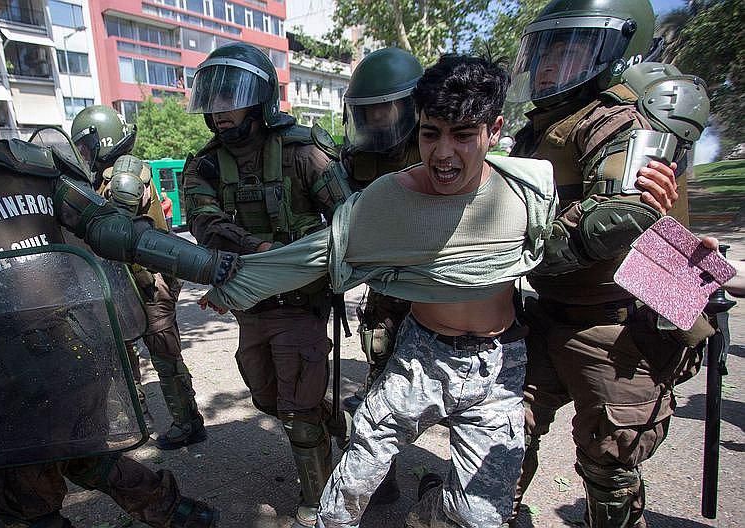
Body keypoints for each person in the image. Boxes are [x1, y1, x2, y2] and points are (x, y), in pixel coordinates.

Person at [0, 66, 236, 528]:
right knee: (85, 454)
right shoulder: (27, 164)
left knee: (21, 504)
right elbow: (119, 232)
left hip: (15, 378)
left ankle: (173, 512)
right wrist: (214, 266)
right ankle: (177, 512)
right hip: (83, 353)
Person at [201, 54, 557, 528]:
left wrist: (658, 226)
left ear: (493, 130)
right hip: (421, 357)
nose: (444, 154)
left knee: (481, 517)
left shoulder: (529, 190)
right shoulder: (390, 197)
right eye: (431, 134)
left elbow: (581, 247)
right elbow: (316, 255)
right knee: (349, 486)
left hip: (499, 367)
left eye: (464, 135)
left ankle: (429, 511)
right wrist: (234, 289)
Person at [505, 0, 713, 525]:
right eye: (546, 50)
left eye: (570, 49)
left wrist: (513, 246)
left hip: (618, 327)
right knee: (507, 433)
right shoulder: (545, 127)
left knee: (609, 465)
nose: (550, 65)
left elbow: (616, 219)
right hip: (549, 311)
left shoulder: (619, 120)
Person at [180, 42, 351, 527]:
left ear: (258, 99)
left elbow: (347, 218)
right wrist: (260, 253)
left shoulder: (303, 150)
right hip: (251, 307)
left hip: (302, 303)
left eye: (230, 98)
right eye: (212, 100)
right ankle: (338, 425)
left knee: (296, 410)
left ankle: (319, 502)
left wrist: (311, 254)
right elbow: (204, 222)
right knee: (266, 395)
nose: (220, 112)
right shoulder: (206, 164)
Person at [71, 104, 207, 450]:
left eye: (86, 147)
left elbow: (121, 233)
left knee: (163, 355)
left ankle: (186, 422)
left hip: (145, 283)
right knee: (127, 356)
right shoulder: (100, 179)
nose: (83, 155)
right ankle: (140, 421)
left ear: (103, 141)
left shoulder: (123, 177)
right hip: (124, 284)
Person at [333, 46, 426, 506]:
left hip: (443, 292)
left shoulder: (438, 142)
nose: (373, 120)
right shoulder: (354, 156)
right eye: (364, 112)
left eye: (383, 109)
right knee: (379, 380)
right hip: (386, 291)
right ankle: (379, 476)